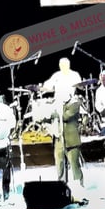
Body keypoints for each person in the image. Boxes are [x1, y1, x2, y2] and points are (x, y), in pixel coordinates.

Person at [39, 57, 85, 187]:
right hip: (58, 129)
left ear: (68, 65)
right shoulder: (56, 76)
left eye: (65, 64)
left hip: (69, 107)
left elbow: (80, 86)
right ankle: (61, 187)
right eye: (61, 64)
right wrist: (41, 88)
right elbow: (47, 86)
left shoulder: (74, 75)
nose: (62, 66)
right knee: (59, 162)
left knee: (74, 164)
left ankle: (79, 188)